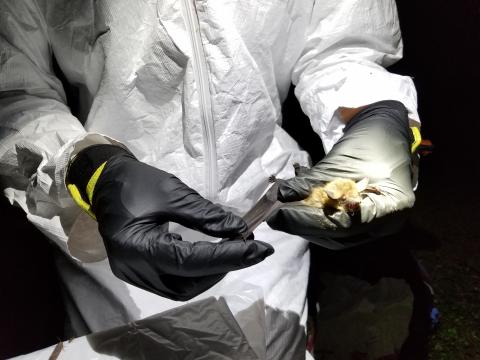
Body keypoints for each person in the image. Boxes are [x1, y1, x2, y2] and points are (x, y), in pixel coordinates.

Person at [0, 0, 419, 358]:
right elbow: (15, 88)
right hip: (112, 234)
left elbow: (341, 40)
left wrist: (376, 114)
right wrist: (92, 171)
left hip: (265, 218)